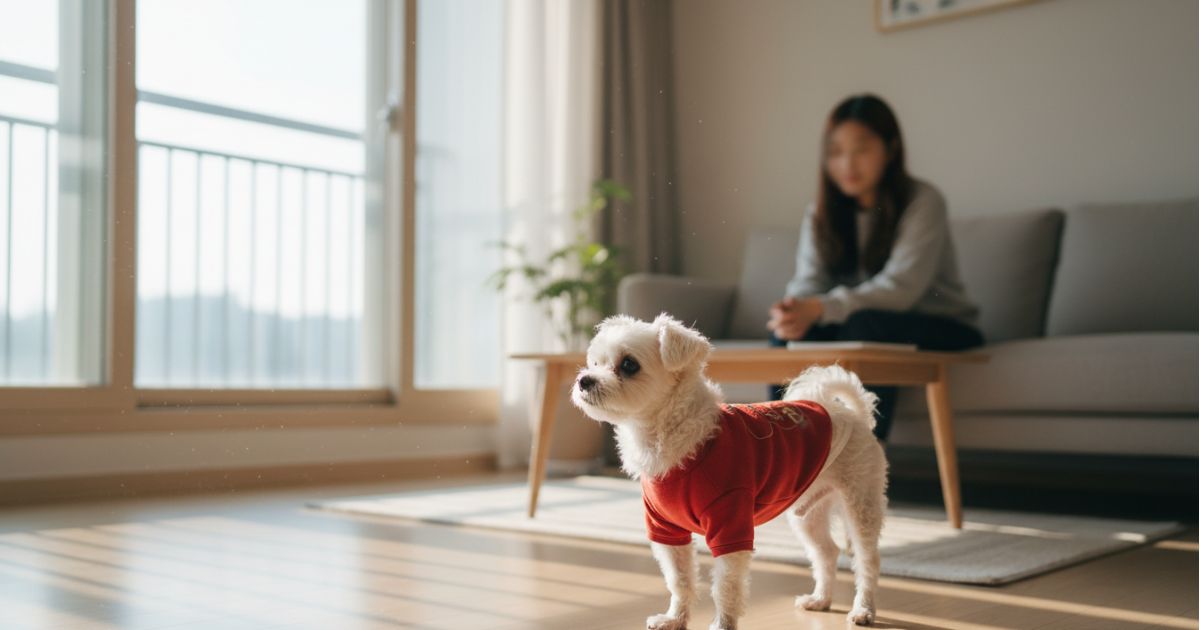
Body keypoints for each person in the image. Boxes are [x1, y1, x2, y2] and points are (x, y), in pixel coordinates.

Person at [766, 94, 984, 442]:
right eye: (836, 152)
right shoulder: (821, 212)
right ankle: (782, 458)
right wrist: (794, 310)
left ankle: (863, 462)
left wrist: (821, 307)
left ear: (891, 148)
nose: (848, 163)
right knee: (787, 332)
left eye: (861, 149)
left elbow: (901, 289)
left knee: (866, 324)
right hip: (860, 324)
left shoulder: (923, 201)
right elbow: (809, 281)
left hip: (944, 324)